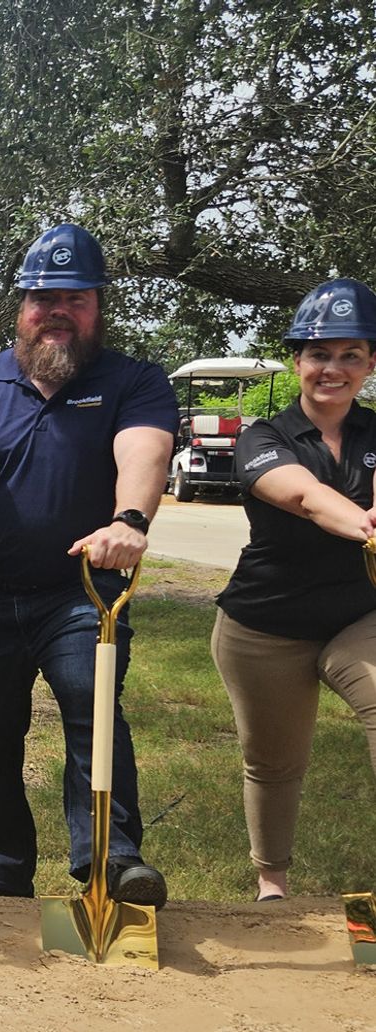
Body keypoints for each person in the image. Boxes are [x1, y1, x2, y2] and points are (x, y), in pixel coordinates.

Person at [0, 223, 176, 905]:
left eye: (76, 298)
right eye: (43, 298)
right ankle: (1, 871)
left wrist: (128, 521)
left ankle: (112, 863)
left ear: (98, 307)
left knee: (94, 714)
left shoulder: (133, 382)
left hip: (82, 594)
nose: (58, 311)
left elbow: (144, 451)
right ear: (21, 308)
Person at [211, 279, 376, 901]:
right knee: (274, 761)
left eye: (350, 355)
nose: (332, 369)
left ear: (370, 363)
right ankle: (272, 885)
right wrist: (367, 526)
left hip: (358, 614)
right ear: (298, 361)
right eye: (318, 354)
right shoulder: (262, 437)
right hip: (264, 624)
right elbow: (305, 497)